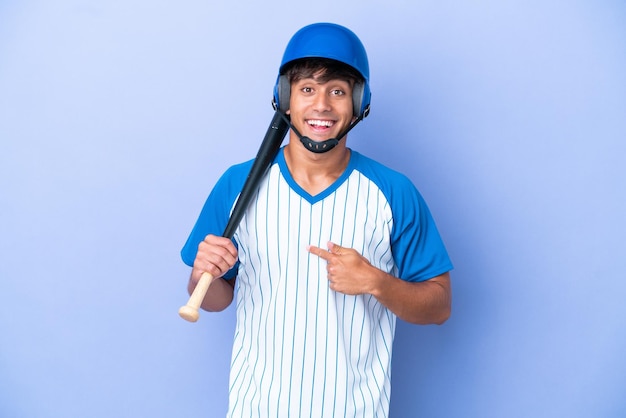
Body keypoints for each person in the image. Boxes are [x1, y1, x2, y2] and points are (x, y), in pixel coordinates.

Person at [181, 22, 453, 417]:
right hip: (257, 408)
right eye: (307, 89)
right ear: (285, 98)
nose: (322, 105)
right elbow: (214, 299)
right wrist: (200, 274)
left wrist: (377, 282)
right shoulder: (236, 184)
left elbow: (439, 305)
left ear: (359, 103)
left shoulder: (393, 192)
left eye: (338, 91)